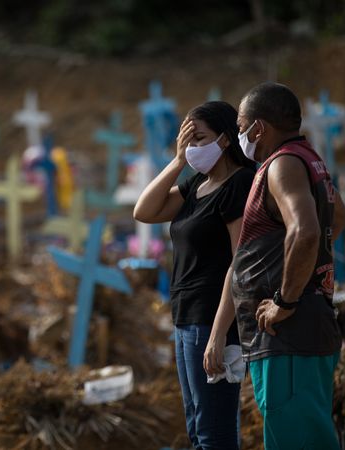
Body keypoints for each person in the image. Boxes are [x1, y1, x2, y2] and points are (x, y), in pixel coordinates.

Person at [206, 82, 345, 450]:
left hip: (290, 336)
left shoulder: (283, 164)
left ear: (259, 128)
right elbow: (339, 217)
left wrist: (286, 299)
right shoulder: (307, 159)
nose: (239, 135)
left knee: (296, 440)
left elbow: (305, 231)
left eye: (240, 126)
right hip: (301, 331)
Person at [134, 101, 256, 450]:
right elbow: (144, 211)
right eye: (186, 139)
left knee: (214, 433)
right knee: (195, 427)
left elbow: (239, 261)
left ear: (225, 139)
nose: (192, 147)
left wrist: (220, 334)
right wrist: (176, 162)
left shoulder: (239, 183)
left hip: (212, 321)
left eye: (199, 138)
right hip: (185, 317)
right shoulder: (197, 186)